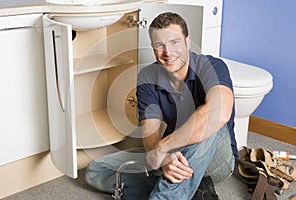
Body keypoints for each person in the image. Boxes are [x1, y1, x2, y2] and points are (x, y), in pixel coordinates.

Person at [85, 12, 238, 200]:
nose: (168, 52)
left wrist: (162, 149)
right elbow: (150, 133)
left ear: (187, 42)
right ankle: (193, 193)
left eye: (175, 42)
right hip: (174, 152)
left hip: (216, 159)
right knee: (96, 170)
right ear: (153, 47)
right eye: (160, 45)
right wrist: (162, 156)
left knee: (206, 119)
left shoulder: (211, 65)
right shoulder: (148, 77)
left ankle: (165, 196)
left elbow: (219, 113)